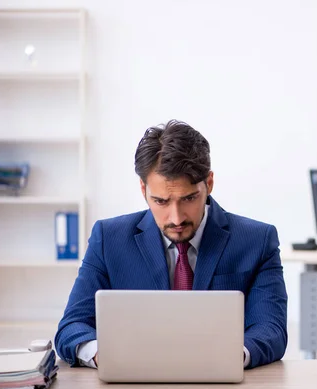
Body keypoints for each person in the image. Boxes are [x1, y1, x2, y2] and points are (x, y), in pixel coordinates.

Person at [54, 120, 288, 369]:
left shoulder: (257, 241)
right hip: (134, 385)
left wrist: (230, 358)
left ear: (208, 184)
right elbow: (72, 327)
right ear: (143, 189)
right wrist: (105, 355)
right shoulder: (108, 239)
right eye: (161, 201)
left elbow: (270, 328)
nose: (176, 218)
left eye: (188, 199)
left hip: (221, 385)